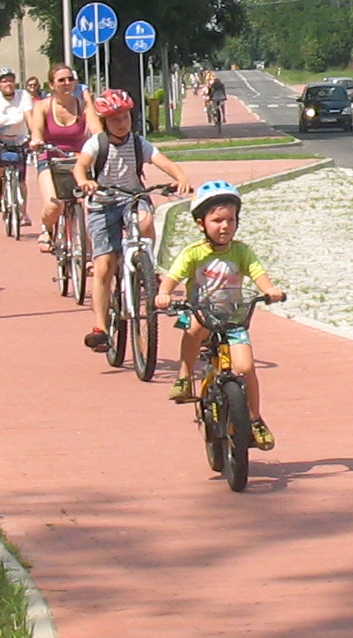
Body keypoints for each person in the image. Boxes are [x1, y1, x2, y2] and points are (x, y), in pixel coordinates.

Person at [160, 180, 289, 446]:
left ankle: (255, 419)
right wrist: (164, 293)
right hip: (198, 311)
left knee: (246, 368)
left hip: (232, 318)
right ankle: (184, 376)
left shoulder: (241, 251)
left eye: (231, 220)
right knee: (192, 327)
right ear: (201, 224)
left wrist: (269, 290)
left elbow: (257, 273)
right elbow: (172, 277)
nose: (225, 226)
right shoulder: (193, 253)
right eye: (217, 220)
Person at [79, 86, 180, 354]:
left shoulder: (137, 143)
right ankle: (100, 328)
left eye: (124, 117)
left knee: (146, 221)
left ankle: (147, 266)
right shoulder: (97, 143)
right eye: (114, 119)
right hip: (102, 204)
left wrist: (180, 176)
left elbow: (162, 160)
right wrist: (84, 181)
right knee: (104, 265)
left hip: (132, 198)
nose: (121, 123)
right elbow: (81, 165)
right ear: (104, 122)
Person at [34, 65, 91, 258]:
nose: (67, 83)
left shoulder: (84, 106)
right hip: (50, 159)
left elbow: (97, 129)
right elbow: (36, 130)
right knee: (53, 205)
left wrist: (102, 142)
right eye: (61, 80)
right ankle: (47, 229)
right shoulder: (42, 106)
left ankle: (87, 256)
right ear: (52, 85)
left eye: (70, 79)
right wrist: (37, 140)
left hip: (78, 160)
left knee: (89, 207)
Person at [0, 68, 36, 226]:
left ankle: (23, 213)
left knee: (21, 179)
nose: (8, 84)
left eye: (11, 80)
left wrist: (35, 135)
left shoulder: (23, 95)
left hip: (20, 139)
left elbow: (29, 117)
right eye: (4, 81)